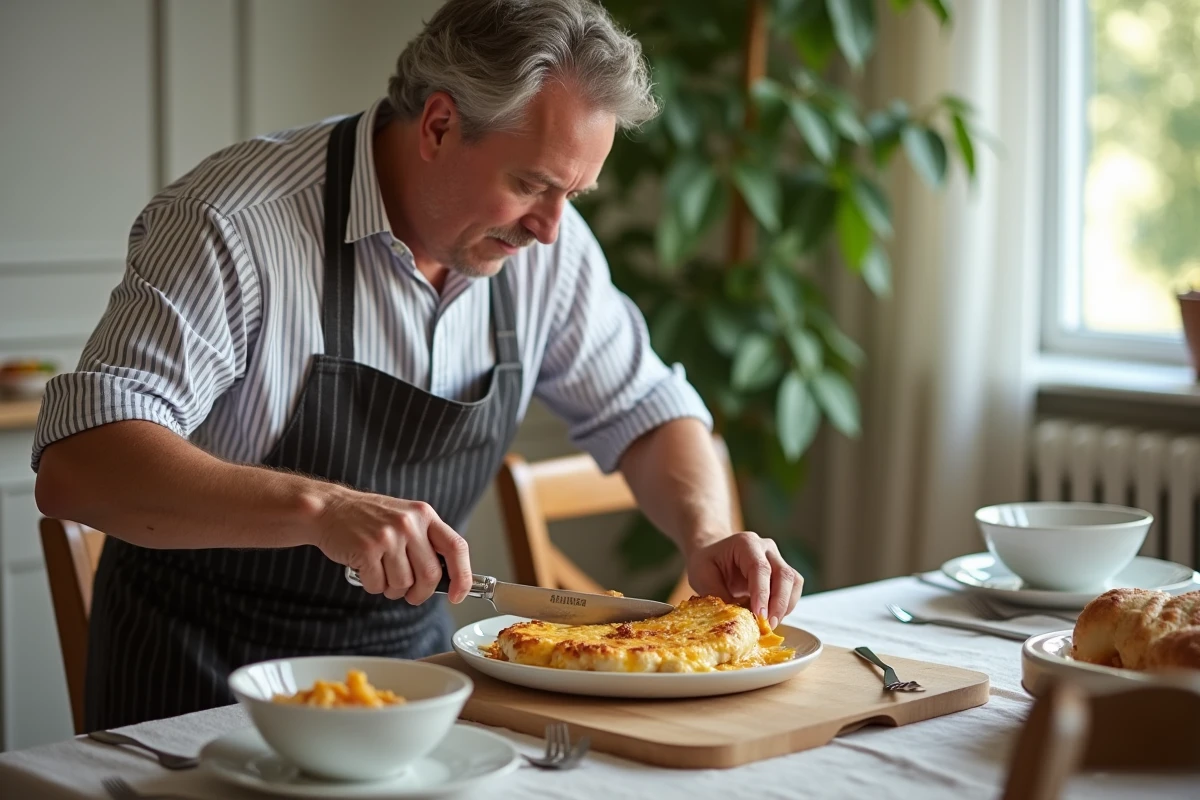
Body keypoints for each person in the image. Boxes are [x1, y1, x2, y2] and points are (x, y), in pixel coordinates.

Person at [32, 0, 804, 731]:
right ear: (438, 124)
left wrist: (707, 534)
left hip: (418, 687)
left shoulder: (548, 249)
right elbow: (80, 464)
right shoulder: (233, 225)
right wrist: (322, 508)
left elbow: (648, 409)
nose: (549, 227)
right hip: (197, 688)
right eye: (531, 184)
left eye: (574, 193)